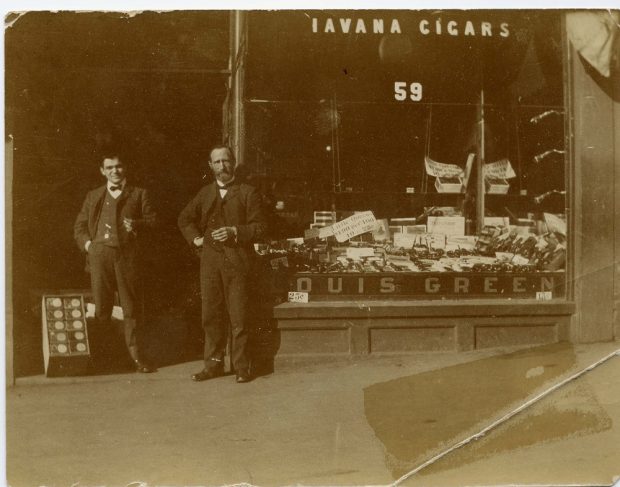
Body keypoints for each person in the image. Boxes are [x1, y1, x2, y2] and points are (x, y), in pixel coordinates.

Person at [178, 145, 266, 383]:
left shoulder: (248, 192)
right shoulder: (205, 193)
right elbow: (184, 219)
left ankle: (241, 367)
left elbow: (260, 227)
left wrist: (235, 231)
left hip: (238, 262)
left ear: (234, 162)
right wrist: (196, 239)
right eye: (217, 162)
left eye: (226, 161)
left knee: (239, 316)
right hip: (210, 263)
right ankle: (213, 365)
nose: (222, 166)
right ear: (211, 166)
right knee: (211, 315)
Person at [74, 149, 157, 373]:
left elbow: (154, 222)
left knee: (130, 308)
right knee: (102, 307)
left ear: (125, 168)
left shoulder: (139, 194)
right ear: (102, 171)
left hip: (127, 257)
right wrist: (89, 246)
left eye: (118, 166)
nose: (114, 171)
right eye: (109, 167)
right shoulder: (93, 195)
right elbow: (79, 226)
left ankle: (137, 358)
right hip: (100, 256)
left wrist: (137, 224)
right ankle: (103, 359)